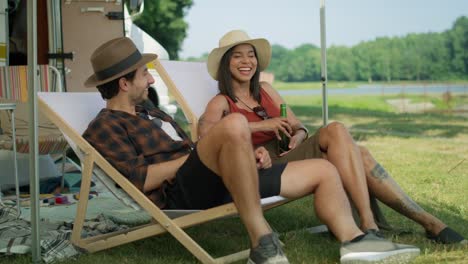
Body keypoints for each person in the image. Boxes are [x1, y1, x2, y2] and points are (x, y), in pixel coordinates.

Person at [82, 37, 420, 264]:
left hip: (217, 176)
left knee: (324, 169)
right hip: (181, 194)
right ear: (125, 83)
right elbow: (139, 182)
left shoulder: (152, 113)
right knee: (234, 126)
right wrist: (214, 149)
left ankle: (356, 241)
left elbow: (201, 150)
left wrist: (243, 152)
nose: (151, 81)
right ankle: (262, 243)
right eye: (145, 75)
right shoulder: (105, 126)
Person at [198, 30, 466, 245]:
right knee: (359, 156)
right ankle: (421, 224)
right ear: (226, 63)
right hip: (260, 166)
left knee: (336, 130)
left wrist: (299, 136)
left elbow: (298, 124)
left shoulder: (266, 90)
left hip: (286, 153)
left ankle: (371, 223)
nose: (247, 62)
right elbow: (206, 140)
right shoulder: (220, 102)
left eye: (251, 56)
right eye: (237, 57)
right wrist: (260, 127)